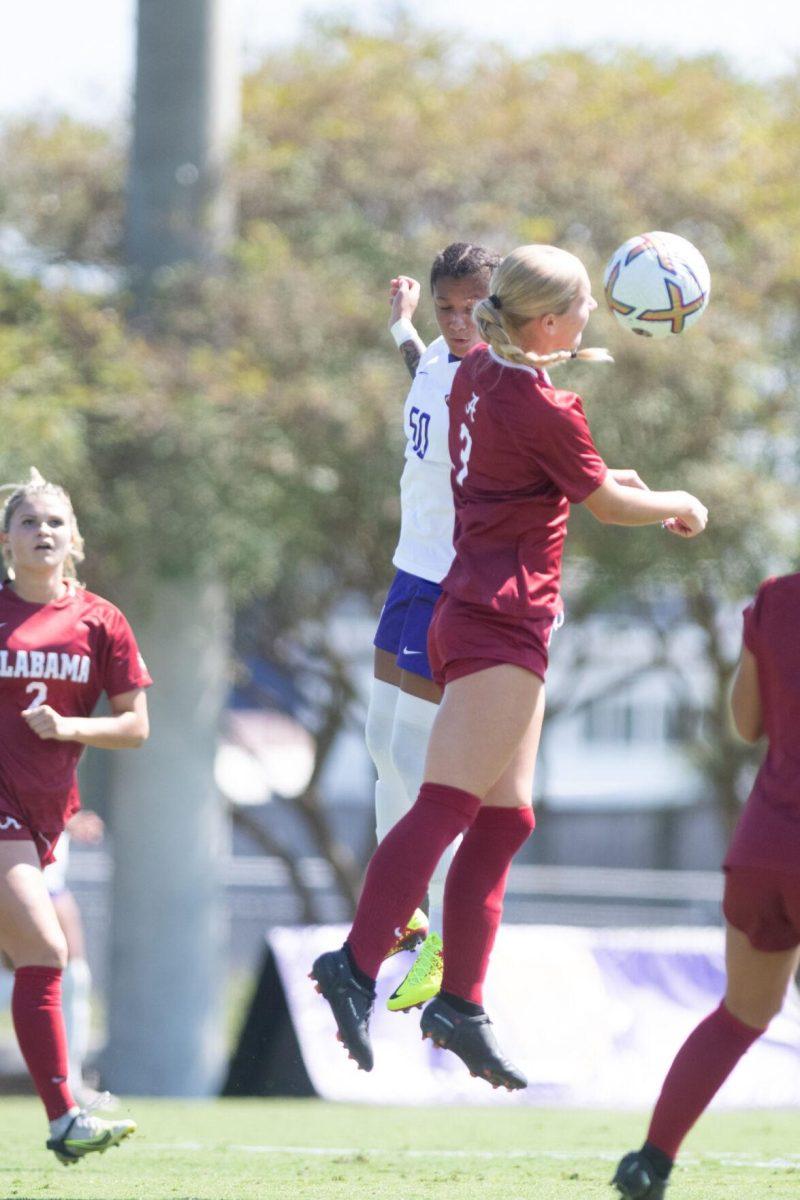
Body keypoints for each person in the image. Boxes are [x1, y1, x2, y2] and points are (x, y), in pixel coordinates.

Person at [311, 243, 708, 1086]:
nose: (596, 313)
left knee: (505, 819)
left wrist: (609, 476)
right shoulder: (544, 403)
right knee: (444, 804)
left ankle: (460, 1004)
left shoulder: (480, 375)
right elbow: (601, 500)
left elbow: (559, 478)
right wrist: (680, 501)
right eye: (584, 305)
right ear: (553, 321)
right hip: (499, 618)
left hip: (480, 610)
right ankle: (353, 962)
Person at [612, 571, 800, 1199]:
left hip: (763, 850)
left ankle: (650, 1163)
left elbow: (746, 724)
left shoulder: (776, 598)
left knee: (740, 1015)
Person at [0, 469, 151, 1164]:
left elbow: (135, 726)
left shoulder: (101, 621)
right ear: (7, 539)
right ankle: (66, 1116)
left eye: (55, 522)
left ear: (75, 541)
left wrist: (67, 728)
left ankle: (67, 1112)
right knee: (46, 950)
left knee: (44, 956)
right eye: (29, 521)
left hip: (43, 820)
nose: (43, 532)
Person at [366, 242, 501, 1014]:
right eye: (447, 307)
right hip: (407, 571)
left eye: (472, 309)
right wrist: (402, 327)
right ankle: (406, 917)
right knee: (381, 746)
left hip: (450, 581)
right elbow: (425, 370)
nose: (456, 322)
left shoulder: (497, 380)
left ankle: (445, 939)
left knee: (423, 768)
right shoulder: (436, 358)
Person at [43, 809, 115, 1109]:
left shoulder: (60, 764)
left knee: (74, 979)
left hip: (49, 884)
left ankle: (70, 1082)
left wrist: (67, 820)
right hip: (19, 877)